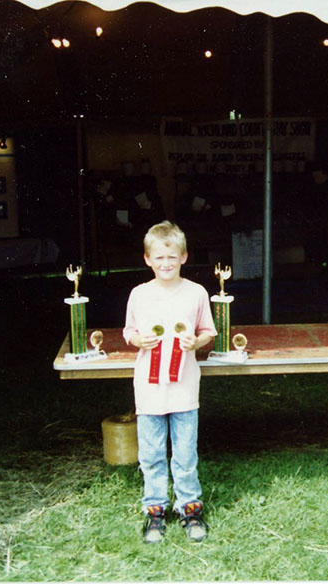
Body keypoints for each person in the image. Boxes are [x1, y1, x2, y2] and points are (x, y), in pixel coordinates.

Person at [123, 220, 217, 544]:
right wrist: (138, 340)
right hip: (149, 392)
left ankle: (190, 509)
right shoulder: (138, 294)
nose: (166, 264)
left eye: (172, 257)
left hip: (184, 389)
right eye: (159, 258)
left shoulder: (197, 293)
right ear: (148, 259)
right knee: (150, 453)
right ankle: (155, 510)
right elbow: (128, 332)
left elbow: (208, 332)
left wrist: (197, 343)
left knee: (185, 452)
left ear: (184, 257)